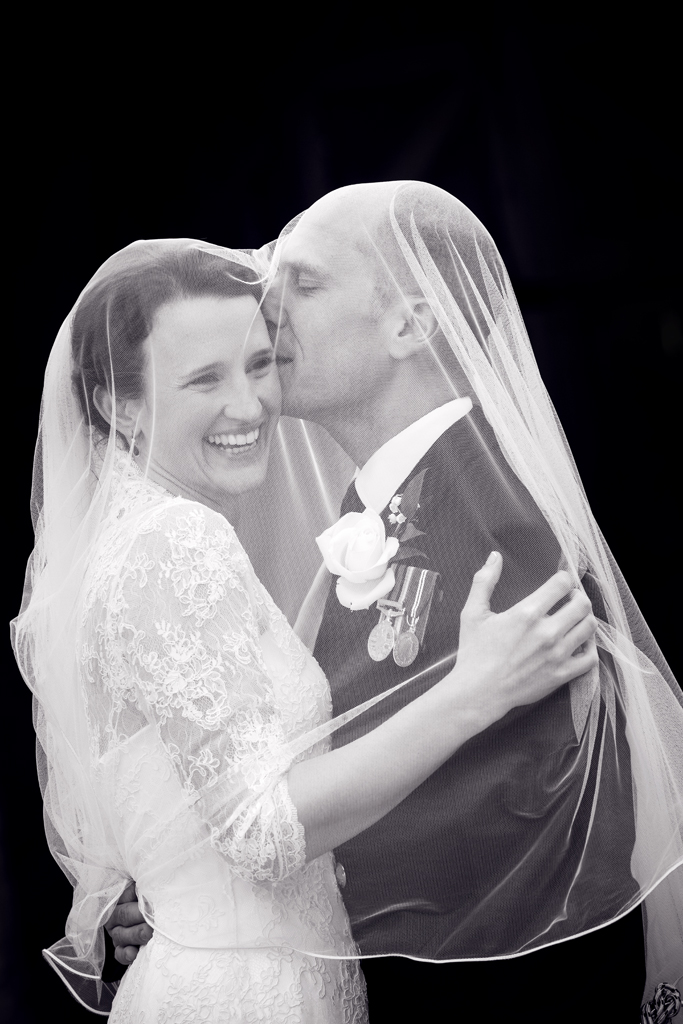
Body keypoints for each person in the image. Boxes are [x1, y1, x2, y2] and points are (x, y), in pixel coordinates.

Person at [109, 184, 683, 1022]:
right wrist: (187, 883)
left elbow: (511, 835)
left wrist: (230, 899)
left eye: (304, 284)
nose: (265, 309)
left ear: (410, 326)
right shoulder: (389, 504)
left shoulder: (496, 527)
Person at [11, 239, 597, 1021]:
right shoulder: (174, 542)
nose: (250, 405)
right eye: (204, 379)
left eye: (259, 365)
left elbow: (169, 800)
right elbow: (257, 831)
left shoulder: (130, 540)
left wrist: (161, 890)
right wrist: (472, 692)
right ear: (120, 406)